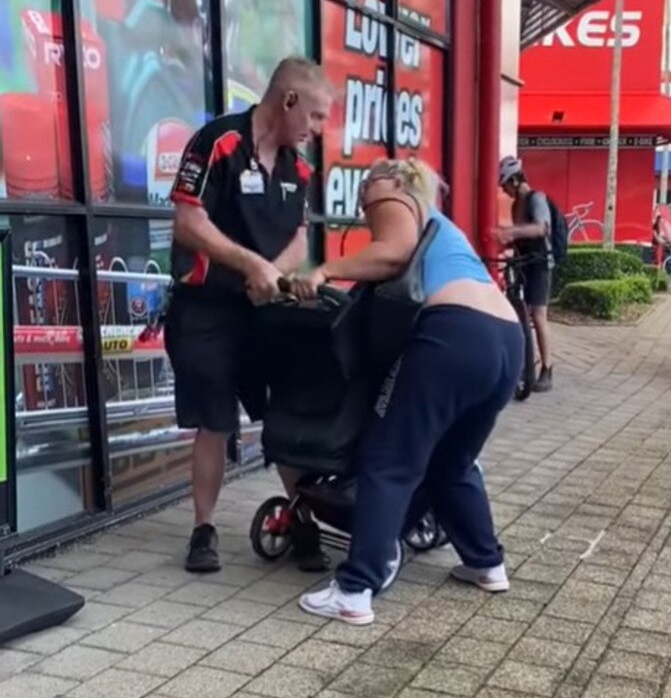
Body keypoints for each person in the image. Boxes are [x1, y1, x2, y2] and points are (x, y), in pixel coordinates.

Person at [290, 158, 524, 625]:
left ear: (397, 180)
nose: (363, 193)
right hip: (507, 340)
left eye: (368, 181)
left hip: (454, 334)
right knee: (450, 461)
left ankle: (355, 590)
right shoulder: (441, 225)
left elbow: (393, 253)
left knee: (388, 458)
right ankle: (486, 562)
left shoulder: (394, 196)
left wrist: (322, 271)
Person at [165, 57, 333, 573]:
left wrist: (274, 276)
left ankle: (302, 519)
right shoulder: (216, 142)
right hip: (205, 311)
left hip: (265, 312)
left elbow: (299, 237)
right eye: (318, 116)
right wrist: (250, 265)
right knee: (214, 421)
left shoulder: (297, 168)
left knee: (282, 413)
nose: (319, 130)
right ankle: (203, 531)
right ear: (288, 101)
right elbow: (188, 222)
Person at [497, 156, 554, 393]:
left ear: (515, 179)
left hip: (540, 263)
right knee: (520, 311)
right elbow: (518, 237)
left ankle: (547, 369)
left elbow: (542, 227)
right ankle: (526, 363)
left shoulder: (536, 198)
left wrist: (511, 231)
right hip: (523, 263)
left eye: (506, 184)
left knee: (538, 315)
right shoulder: (515, 205)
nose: (505, 190)